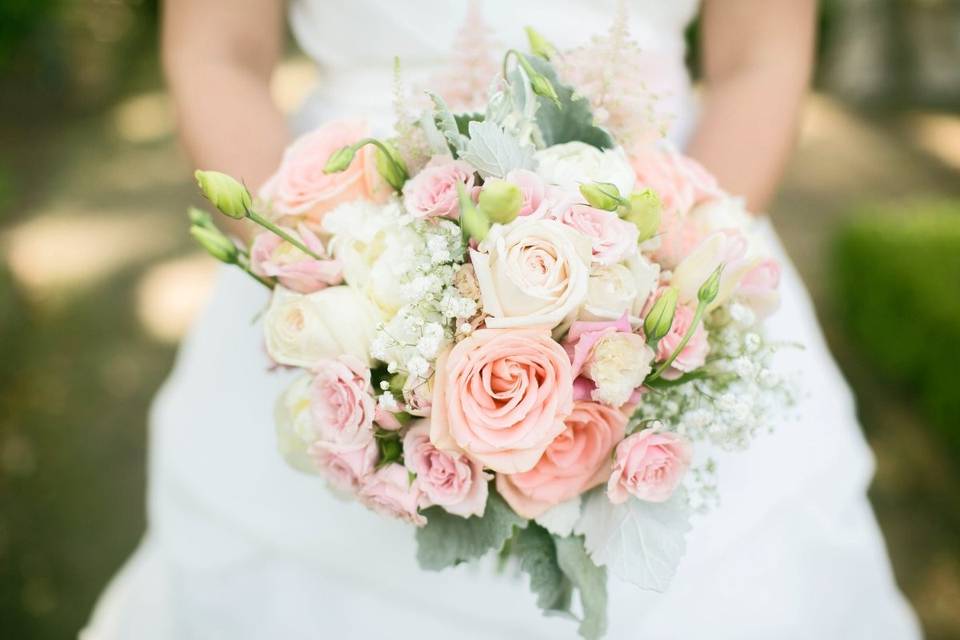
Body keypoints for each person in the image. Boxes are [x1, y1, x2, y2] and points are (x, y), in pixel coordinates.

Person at [82, 1, 921, 638]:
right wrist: (347, 293)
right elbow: (215, 50)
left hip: (666, 232)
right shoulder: (338, 279)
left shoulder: (667, 272)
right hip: (343, 251)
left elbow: (762, 57)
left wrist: (656, 292)